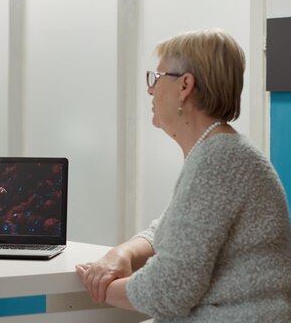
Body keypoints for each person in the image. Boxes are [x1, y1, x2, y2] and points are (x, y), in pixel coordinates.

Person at [76, 29, 291, 322]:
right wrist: (121, 254)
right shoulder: (218, 152)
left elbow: (168, 291)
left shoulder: (219, 160)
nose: (150, 90)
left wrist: (99, 286)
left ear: (185, 85)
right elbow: (165, 230)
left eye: (156, 77)